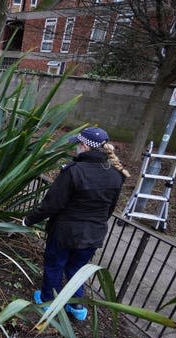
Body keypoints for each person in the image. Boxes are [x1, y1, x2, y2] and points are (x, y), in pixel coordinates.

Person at [23, 127, 130, 320]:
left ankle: (48, 302)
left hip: (65, 232)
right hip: (93, 233)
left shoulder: (73, 171)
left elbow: (51, 205)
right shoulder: (116, 174)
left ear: (84, 146)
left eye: (78, 145)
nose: (76, 149)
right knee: (77, 269)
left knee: (55, 265)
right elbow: (109, 208)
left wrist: (28, 220)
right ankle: (77, 307)